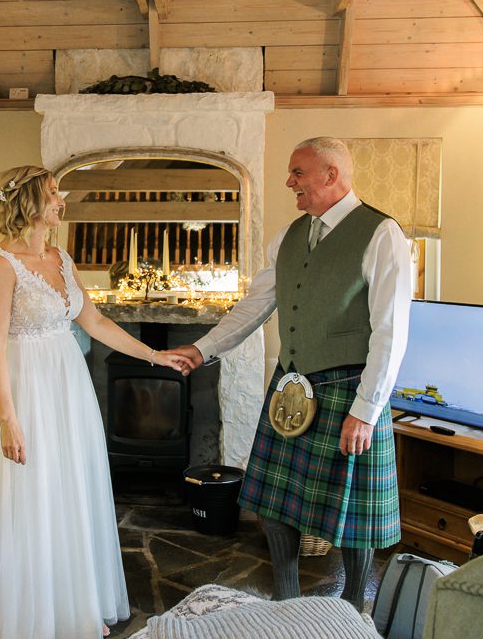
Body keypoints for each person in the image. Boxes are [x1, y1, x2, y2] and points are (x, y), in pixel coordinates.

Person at [0, 165, 191, 639]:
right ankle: (29, 615)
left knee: (69, 493)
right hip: (28, 393)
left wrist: (156, 356)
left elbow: (96, 320)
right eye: (54, 193)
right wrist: (8, 418)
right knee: (32, 497)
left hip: (68, 389)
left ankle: (73, 604)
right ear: (29, 204)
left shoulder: (62, 259)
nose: (62, 201)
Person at [170, 137, 411, 610]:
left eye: (298, 173)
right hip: (290, 388)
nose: (289, 183)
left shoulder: (382, 234)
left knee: (352, 512)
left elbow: (392, 331)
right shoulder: (289, 235)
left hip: (348, 392)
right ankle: (286, 596)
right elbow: (255, 305)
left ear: (331, 175)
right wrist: (202, 349)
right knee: (271, 498)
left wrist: (366, 410)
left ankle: (352, 604)